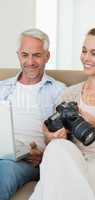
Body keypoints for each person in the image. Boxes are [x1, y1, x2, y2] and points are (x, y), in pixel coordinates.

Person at [29, 27, 95, 200]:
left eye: (94, 53)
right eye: (84, 51)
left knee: (56, 186)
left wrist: (92, 121)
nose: (85, 58)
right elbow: (58, 143)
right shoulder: (69, 94)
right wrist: (51, 137)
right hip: (73, 160)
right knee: (56, 148)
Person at [0, 28, 66, 200]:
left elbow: (65, 140)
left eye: (37, 55)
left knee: (4, 170)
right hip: (2, 152)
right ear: (18, 55)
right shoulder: (2, 88)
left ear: (47, 56)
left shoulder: (59, 91)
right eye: (24, 55)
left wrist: (44, 156)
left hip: (29, 161)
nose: (30, 62)